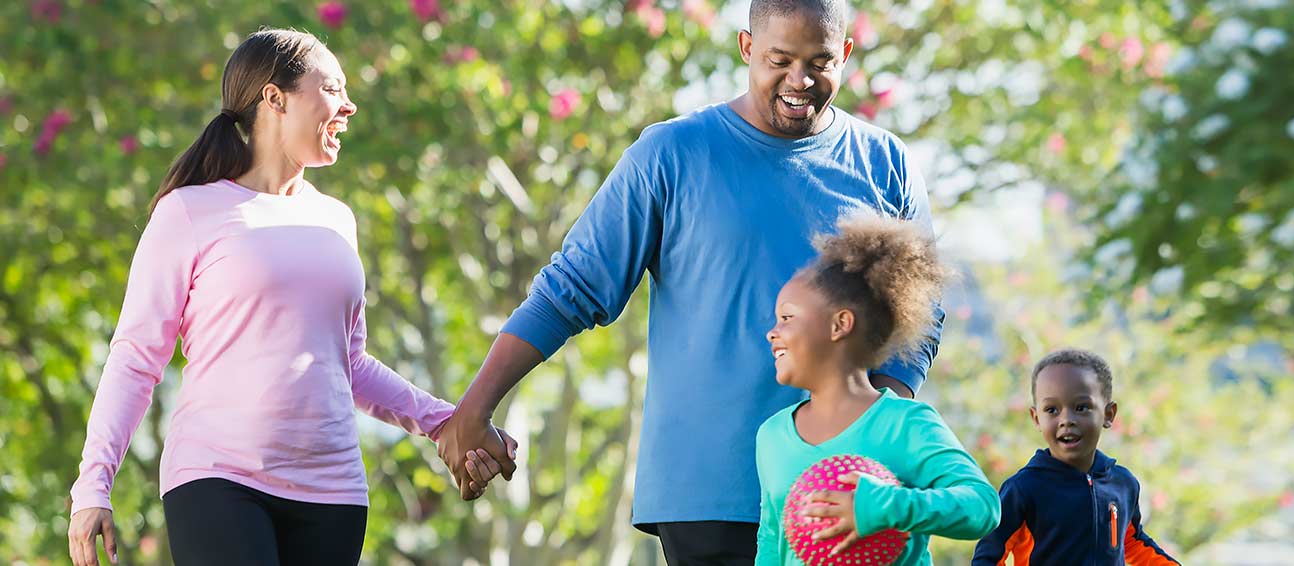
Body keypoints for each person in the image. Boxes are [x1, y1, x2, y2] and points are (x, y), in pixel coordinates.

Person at [433, 0, 942, 562]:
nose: (800, 80)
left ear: (846, 54)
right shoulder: (670, 154)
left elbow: (921, 313)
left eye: (819, 62)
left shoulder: (886, 163)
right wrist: (475, 408)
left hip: (844, 494)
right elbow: (571, 288)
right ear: (747, 48)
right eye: (780, 59)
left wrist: (875, 431)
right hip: (709, 490)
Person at [65, 28, 513, 566]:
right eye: (332, 89)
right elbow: (136, 358)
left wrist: (448, 421)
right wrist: (93, 485)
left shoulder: (336, 220)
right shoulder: (189, 212)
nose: (349, 106)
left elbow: (348, 363)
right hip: (218, 479)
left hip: (334, 491)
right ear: (274, 98)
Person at [754, 214, 998, 565]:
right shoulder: (772, 436)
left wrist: (886, 506)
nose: (772, 332)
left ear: (840, 324)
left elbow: (981, 506)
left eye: (787, 318)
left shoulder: (906, 424)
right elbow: (771, 540)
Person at [971, 349, 1179, 565]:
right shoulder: (1023, 489)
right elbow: (989, 557)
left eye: (1082, 407)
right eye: (1052, 410)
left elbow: (1132, 543)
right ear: (1036, 418)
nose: (1066, 420)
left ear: (1108, 414)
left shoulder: (1123, 484)